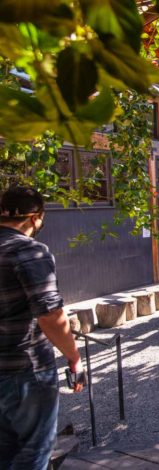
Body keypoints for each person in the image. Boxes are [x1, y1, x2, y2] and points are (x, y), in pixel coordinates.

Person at [0, 187, 84, 469]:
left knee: (5, 448)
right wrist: (73, 356)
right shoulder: (29, 251)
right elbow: (50, 315)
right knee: (35, 449)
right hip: (25, 367)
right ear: (35, 217)